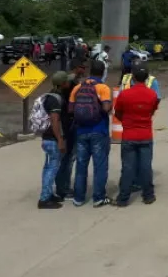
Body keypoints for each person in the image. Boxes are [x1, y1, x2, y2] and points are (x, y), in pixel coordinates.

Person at [69, 60, 114, 207]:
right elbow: (106, 108)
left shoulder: (77, 87)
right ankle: (99, 197)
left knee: (81, 165)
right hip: (99, 131)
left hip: (81, 131)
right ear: (102, 72)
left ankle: (78, 198)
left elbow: (70, 109)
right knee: (100, 165)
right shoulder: (103, 88)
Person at [114, 64, 159, 206]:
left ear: (132, 77)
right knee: (146, 167)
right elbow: (152, 110)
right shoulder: (152, 94)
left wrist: (127, 122)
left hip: (129, 135)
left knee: (128, 167)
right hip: (146, 134)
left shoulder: (125, 94)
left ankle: (123, 198)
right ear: (147, 78)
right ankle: (148, 196)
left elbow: (118, 113)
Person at [38, 71, 70, 209]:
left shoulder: (49, 96)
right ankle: (44, 199)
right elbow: (55, 120)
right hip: (53, 139)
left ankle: (49, 194)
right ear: (63, 83)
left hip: (47, 137)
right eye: (67, 81)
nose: (69, 83)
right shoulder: (55, 99)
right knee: (52, 168)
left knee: (48, 167)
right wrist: (60, 140)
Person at [55, 59, 84, 199]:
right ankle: (63, 189)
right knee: (68, 158)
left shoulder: (56, 94)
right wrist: (61, 138)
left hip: (64, 131)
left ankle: (61, 186)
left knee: (64, 159)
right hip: (67, 131)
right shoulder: (63, 95)